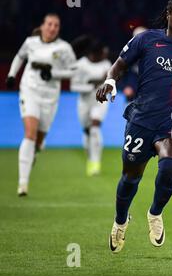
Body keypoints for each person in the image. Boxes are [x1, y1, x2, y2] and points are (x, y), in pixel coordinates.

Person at [96, 0, 172, 253]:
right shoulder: (147, 40)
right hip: (141, 121)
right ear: (169, 15)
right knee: (130, 178)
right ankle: (120, 222)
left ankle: (155, 213)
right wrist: (110, 81)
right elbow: (119, 65)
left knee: (170, 169)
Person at [5, 13, 76, 196]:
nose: (52, 28)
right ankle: (23, 183)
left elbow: (73, 70)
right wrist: (12, 75)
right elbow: (19, 57)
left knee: (39, 140)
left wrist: (53, 73)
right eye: (50, 24)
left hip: (50, 97)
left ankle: (34, 152)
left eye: (56, 25)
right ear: (43, 26)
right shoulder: (30, 43)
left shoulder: (64, 48)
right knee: (29, 133)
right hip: (30, 91)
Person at [71, 38, 111, 176]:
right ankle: (90, 159)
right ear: (94, 54)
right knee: (87, 131)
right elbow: (73, 86)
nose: (104, 55)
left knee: (95, 127)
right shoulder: (81, 65)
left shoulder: (106, 64)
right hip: (84, 102)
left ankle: (96, 163)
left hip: (100, 101)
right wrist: (91, 85)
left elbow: (111, 83)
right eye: (101, 53)